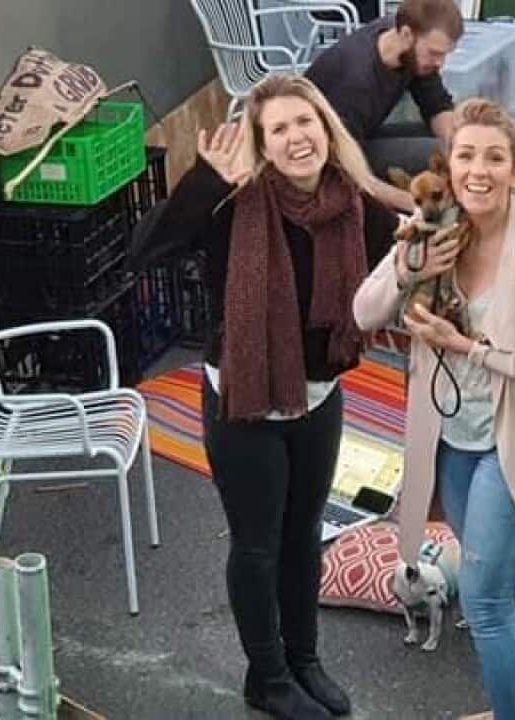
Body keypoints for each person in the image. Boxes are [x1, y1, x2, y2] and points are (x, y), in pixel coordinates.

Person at [127, 74, 397, 720]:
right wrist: (205, 182)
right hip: (244, 406)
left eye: (305, 122)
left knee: (304, 535)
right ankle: (267, 675)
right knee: (258, 543)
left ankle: (304, 660)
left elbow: (400, 269)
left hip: (319, 396)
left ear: (325, 129)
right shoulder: (234, 207)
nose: (297, 137)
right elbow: (144, 252)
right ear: (262, 144)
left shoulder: (355, 205)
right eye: (279, 129)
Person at [353, 98, 515, 720]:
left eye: (494, 158)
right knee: (504, 569)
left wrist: (468, 347)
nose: (477, 171)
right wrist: (411, 264)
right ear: (448, 165)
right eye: (466, 156)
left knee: (484, 600)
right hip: (451, 436)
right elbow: (364, 312)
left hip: (514, 442)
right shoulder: (438, 229)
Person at [306, 0, 465, 213]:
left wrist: (463, 146)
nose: (440, 63)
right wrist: (415, 205)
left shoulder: (405, 45)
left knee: (456, 144)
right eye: (435, 53)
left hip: (361, 135)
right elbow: (347, 172)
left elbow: (436, 104)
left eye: (445, 55)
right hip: (329, 158)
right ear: (407, 35)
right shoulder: (355, 80)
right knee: (435, 152)